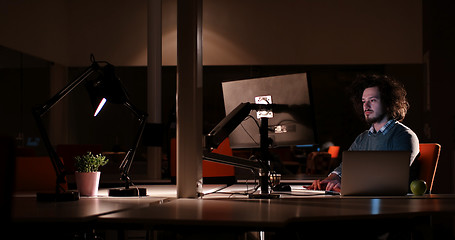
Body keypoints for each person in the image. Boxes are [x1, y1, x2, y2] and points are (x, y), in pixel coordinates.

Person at [307, 74, 420, 192]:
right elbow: (344, 168)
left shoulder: (404, 136)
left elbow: (392, 179)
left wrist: (347, 186)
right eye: (363, 101)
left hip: (391, 204)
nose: (366, 106)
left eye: (372, 100)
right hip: (366, 201)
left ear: (388, 103)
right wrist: (331, 180)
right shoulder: (362, 138)